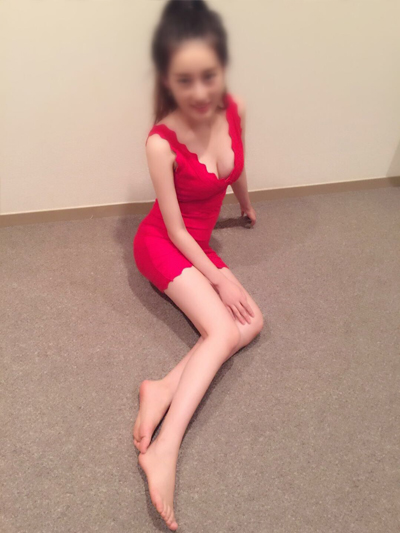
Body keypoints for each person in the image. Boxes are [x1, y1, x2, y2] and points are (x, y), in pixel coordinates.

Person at [132, 1, 264, 530]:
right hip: (165, 242)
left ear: (222, 67)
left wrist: (246, 205)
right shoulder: (159, 143)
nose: (201, 92)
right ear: (167, 79)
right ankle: (165, 451)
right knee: (223, 331)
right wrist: (221, 275)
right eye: (185, 80)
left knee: (251, 322)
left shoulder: (237, 109)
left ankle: (163, 387)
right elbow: (178, 230)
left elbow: (236, 168)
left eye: (209, 75)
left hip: (199, 243)